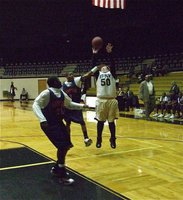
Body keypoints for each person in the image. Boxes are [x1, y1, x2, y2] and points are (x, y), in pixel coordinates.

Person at [32, 76, 88, 185]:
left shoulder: (62, 94)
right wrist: (42, 119)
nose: (60, 81)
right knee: (62, 146)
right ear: (53, 82)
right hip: (49, 124)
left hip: (59, 123)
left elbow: (70, 104)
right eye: (57, 80)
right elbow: (35, 104)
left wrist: (82, 106)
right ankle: (62, 175)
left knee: (66, 145)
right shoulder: (47, 93)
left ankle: (57, 167)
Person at [62, 66, 99, 147]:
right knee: (67, 124)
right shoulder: (63, 86)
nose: (72, 76)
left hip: (76, 107)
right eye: (70, 74)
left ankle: (86, 138)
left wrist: (95, 68)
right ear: (66, 76)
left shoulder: (76, 81)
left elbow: (87, 75)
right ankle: (68, 141)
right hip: (67, 108)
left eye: (73, 74)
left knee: (82, 122)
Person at [92, 43, 119, 149]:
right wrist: (94, 54)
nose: (104, 67)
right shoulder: (98, 75)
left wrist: (110, 53)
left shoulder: (112, 74)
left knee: (112, 122)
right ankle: (99, 139)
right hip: (101, 100)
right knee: (100, 121)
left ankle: (113, 139)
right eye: (102, 66)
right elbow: (94, 66)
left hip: (112, 100)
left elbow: (113, 64)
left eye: (106, 66)